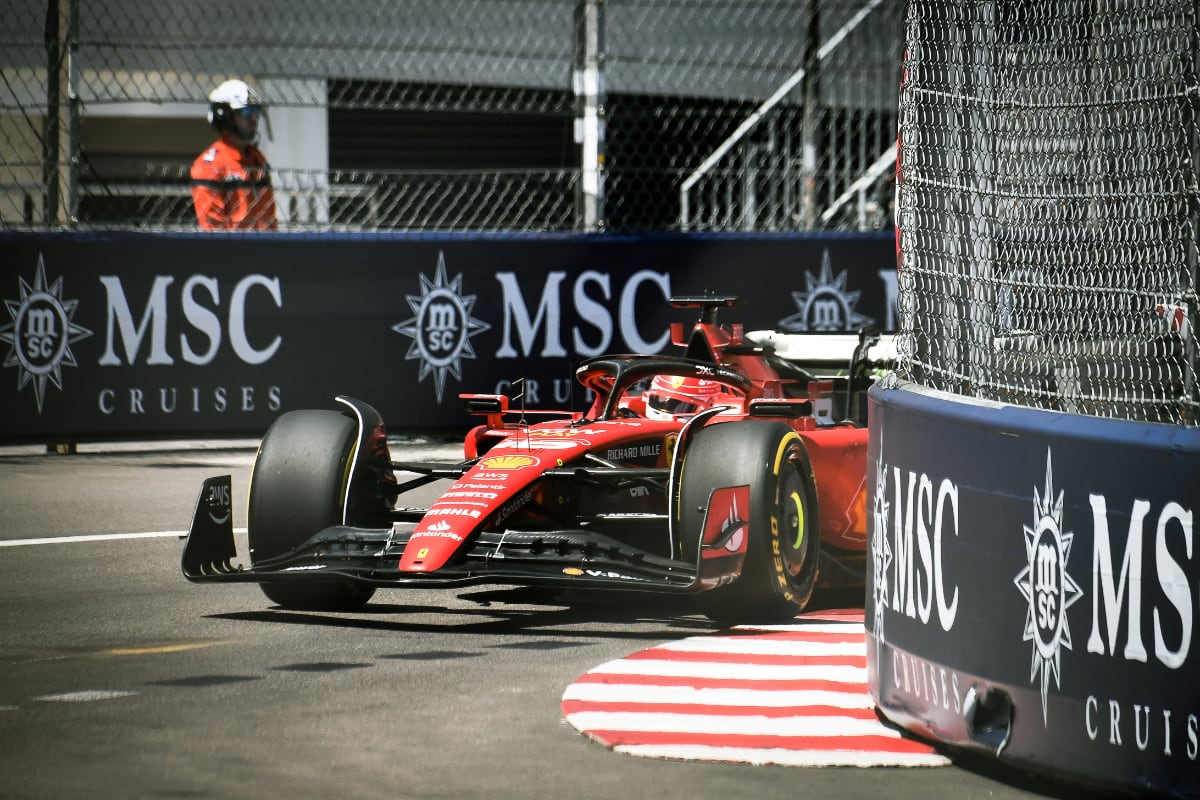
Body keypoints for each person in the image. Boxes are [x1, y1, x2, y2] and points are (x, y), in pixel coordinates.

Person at [190, 79, 278, 230]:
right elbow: (213, 229)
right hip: (231, 250)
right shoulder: (210, 165)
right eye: (246, 112)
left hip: (263, 249)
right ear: (225, 115)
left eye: (255, 112)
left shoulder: (257, 159)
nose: (253, 119)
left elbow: (270, 220)